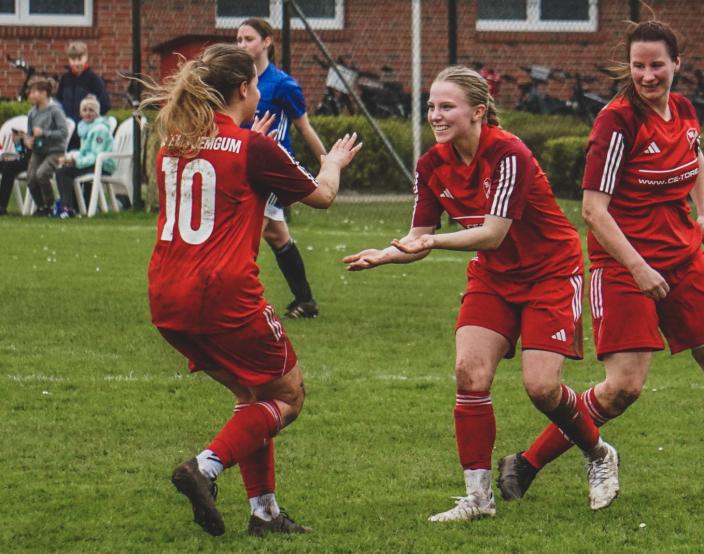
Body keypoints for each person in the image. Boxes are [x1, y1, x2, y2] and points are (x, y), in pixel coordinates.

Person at [496, 20, 704, 502]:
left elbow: (697, 158)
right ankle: (525, 463)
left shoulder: (685, 110)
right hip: (623, 267)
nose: (647, 75)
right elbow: (593, 210)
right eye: (638, 66)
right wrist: (638, 268)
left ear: (677, 64)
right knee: (622, 388)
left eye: (656, 65)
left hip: (684, 260)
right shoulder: (617, 122)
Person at [343, 66, 621, 521]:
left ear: (477, 112)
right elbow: (420, 235)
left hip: (550, 272)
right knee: (469, 373)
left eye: (446, 106)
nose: (435, 114)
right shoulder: (432, 163)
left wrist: (430, 242)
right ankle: (478, 498)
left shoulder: (509, 153)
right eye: (431, 106)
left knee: (542, 387)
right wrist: (388, 253)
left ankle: (597, 453)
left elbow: (491, 233)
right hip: (494, 276)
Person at [141, 43, 361, 537]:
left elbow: (221, 171)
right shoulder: (252, 147)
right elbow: (322, 196)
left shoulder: (172, 142)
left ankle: (264, 514)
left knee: (253, 397)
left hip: (167, 298)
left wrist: (245, 139)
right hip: (224, 297)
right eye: (256, 83)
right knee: (288, 396)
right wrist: (334, 163)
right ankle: (205, 467)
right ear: (244, 89)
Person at [237, 18, 327, 319]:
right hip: (246, 167)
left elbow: (303, 127)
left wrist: (327, 162)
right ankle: (305, 301)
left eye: (248, 38)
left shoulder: (282, 85)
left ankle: (237, 304)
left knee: (245, 237)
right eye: (238, 39)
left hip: (273, 172)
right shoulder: (237, 82)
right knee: (277, 237)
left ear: (267, 42)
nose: (242, 45)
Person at [54, 95, 115, 218]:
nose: (87, 113)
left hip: (102, 165)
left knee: (64, 173)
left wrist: (76, 161)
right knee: (63, 170)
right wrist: (71, 159)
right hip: (91, 163)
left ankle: (68, 208)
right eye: (84, 110)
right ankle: (74, 207)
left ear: (97, 113)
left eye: (91, 110)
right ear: (80, 112)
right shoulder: (85, 127)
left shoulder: (100, 129)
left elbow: (96, 155)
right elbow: (84, 152)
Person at [24, 76, 70, 216]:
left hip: (55, 151)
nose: (32, 95)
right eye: (31, 92)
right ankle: (41, 206)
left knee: (41, 174)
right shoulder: (32, 112)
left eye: (35, 92)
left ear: (44, 93)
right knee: (31, 178)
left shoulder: (55, 110)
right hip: (39, 151)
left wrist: (45, 133)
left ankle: (50, 205)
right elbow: (29, 133)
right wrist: (28, 140)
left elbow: (64, 132)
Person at [56, 41, 110, 150]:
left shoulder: (93, 79)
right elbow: (59, 102)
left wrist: (89, 118)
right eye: (73, 59)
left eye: (80, 59)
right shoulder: (65, 79)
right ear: (69, 60)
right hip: (68, 132)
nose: (76, 63)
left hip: (86, 132)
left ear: (86, 57)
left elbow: (105, 104)